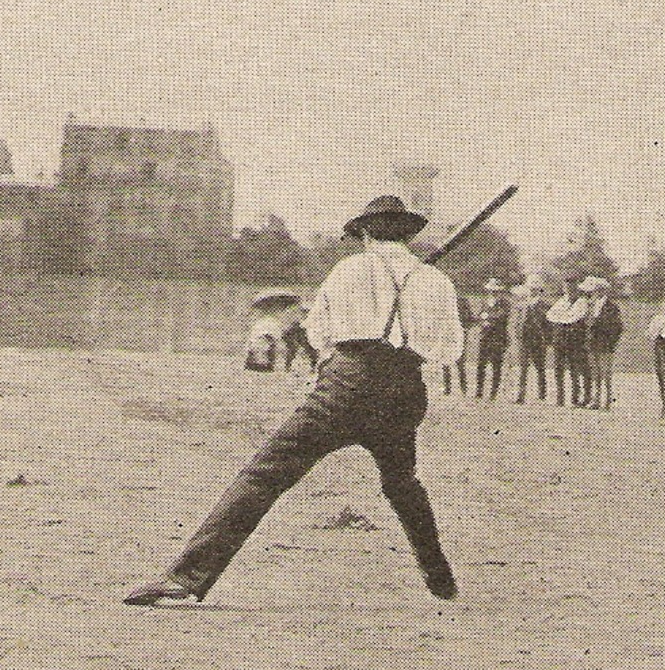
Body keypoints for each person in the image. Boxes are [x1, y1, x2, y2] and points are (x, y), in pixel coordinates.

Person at [124, 195, 465, 606]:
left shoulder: (351, 269)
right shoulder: (435, 281)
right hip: (405, 390)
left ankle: (187, 576)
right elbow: (450, 351)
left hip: (347, 384)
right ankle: (440, 577)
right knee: (401, 481)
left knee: (265, 475)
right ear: (407, 234)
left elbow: (318, 334)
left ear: (367, 233)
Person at [581, 276, 623, 410]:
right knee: (595, 373)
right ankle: (597, 399)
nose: (591, 294)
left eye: (593, 291)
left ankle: (608, 400)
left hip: (605, 344)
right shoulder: (590, 306)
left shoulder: (612, 307)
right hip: (592, 343)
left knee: (606, 373)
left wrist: (610, 342)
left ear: (600, 290)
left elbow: (618, 327)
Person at [547, 279, 589, 407]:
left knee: (575, 369)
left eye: (571, 287)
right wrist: (563, 318)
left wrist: (563, 318)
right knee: (558, 369)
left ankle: (575, 397)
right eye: (566, 287)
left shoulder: (581, 302)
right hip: (560, 339)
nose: (569, 290)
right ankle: (560, 397)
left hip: (575, 340)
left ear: (576, 288)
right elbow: (551, 315)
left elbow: (574, 317)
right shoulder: (561, 301)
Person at [473, 278, 512, 400]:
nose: (493, 292)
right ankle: (479, 391)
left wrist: (488, 318)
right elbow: (479, 315)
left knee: (496, 365)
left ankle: (493, 393)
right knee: (481, 365)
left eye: (495, 290)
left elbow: (502, 316)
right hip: (485, 336)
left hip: (498, 337)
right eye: (491, 290)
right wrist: (483, 320)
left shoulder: (504, 302)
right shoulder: (485, 301)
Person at [513, 279, 551, 403]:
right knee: (523, 367)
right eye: (531, 289)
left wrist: (546, 339)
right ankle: (521, 395)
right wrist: (517, 334)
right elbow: (518, 322)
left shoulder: (544, 306)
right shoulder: (523, 304)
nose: (533, 291)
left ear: (540, 291)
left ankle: (542, 394)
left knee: (540, 367)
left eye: (535, 289)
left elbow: (548, 324)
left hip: (538, 340)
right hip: (524, 339)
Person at [442, 295, 475, 396]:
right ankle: (447, 388)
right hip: (446, 335)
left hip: (459, 335)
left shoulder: (463, 301)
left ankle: (463, 388)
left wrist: (465, 328)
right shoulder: (443, 302)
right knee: (445, 361)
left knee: (460, 361)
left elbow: (470, 318)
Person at [280, 303, 319, 372]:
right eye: (304, 310)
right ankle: (288, 366)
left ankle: (313, 366)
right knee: (293, 349)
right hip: (295, 333)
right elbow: (289, 327)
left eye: (306, 310)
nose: (305, 312)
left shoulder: (309, 316)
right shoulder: (291, 313)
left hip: (304, 333)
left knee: (310, 349)